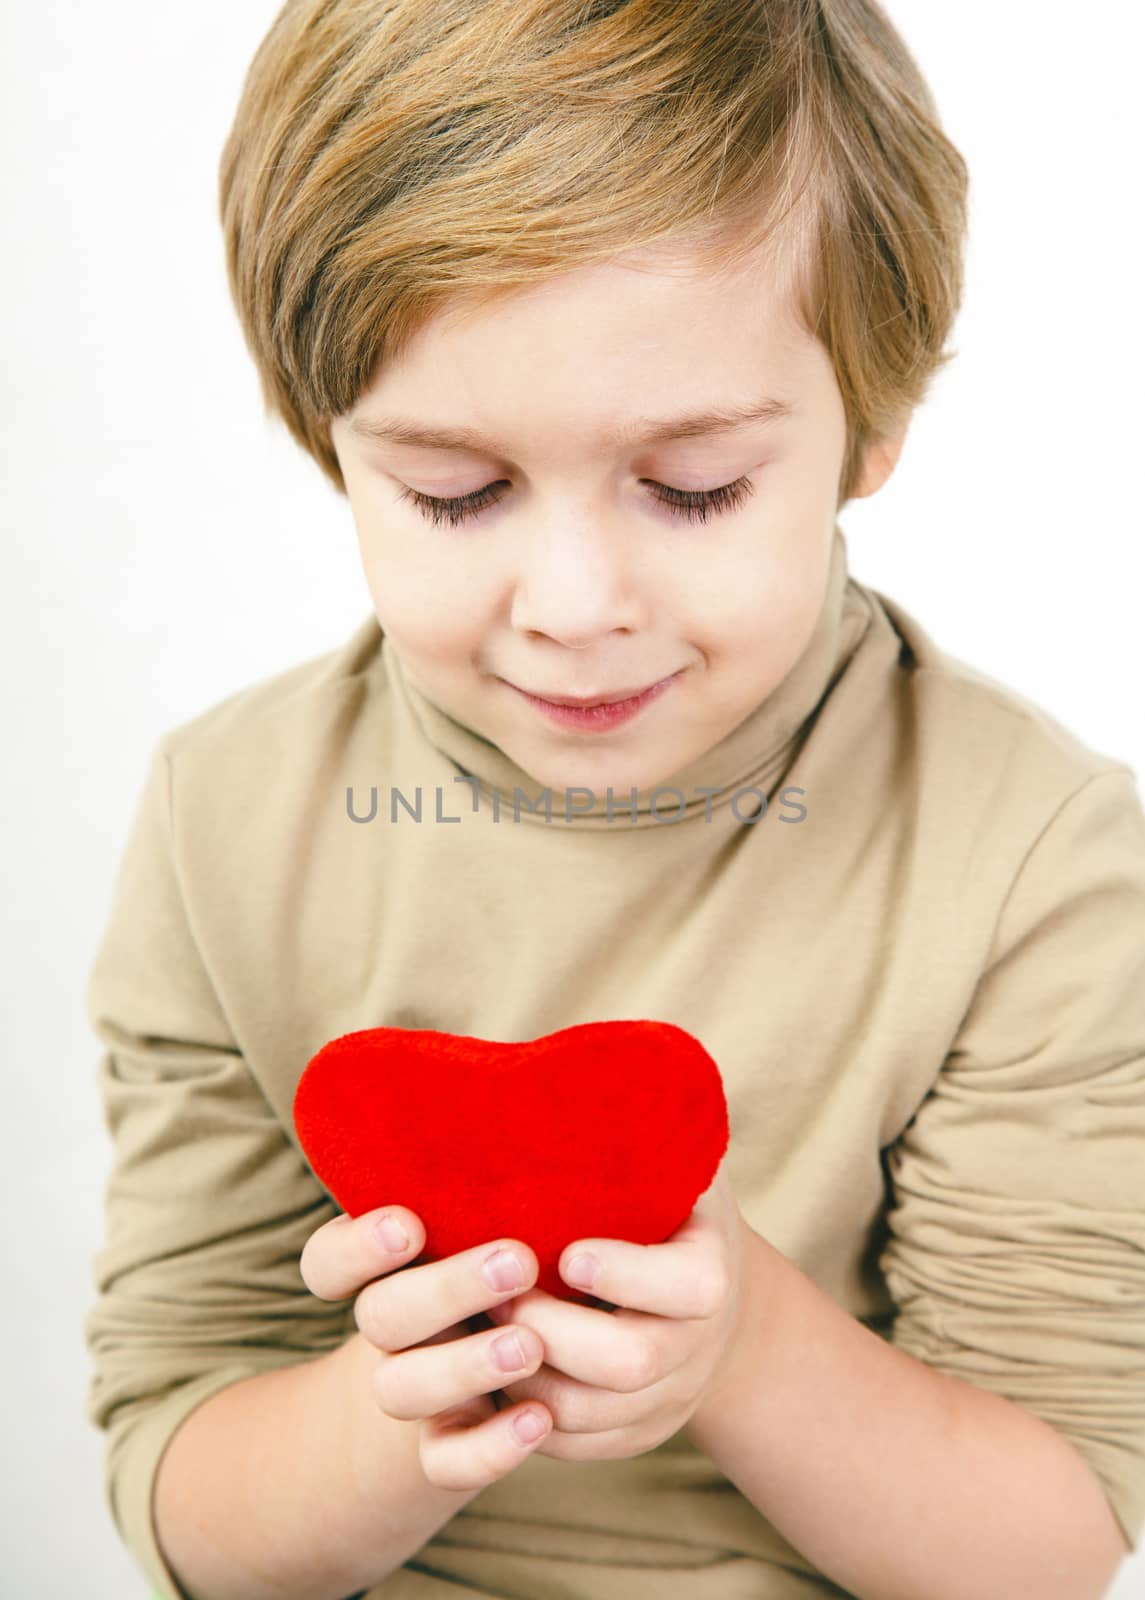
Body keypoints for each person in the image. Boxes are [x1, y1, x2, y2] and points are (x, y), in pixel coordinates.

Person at [83, 1, 1145, 1597]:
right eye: (454, 492)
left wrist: (736, 1342)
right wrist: (399, 1415)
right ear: (330, 444)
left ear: (874, 423)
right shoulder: (224, 820)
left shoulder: (1031, 862)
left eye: (694, 486)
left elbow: (1049, 1549)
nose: (574, 602)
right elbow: (179, 1475)